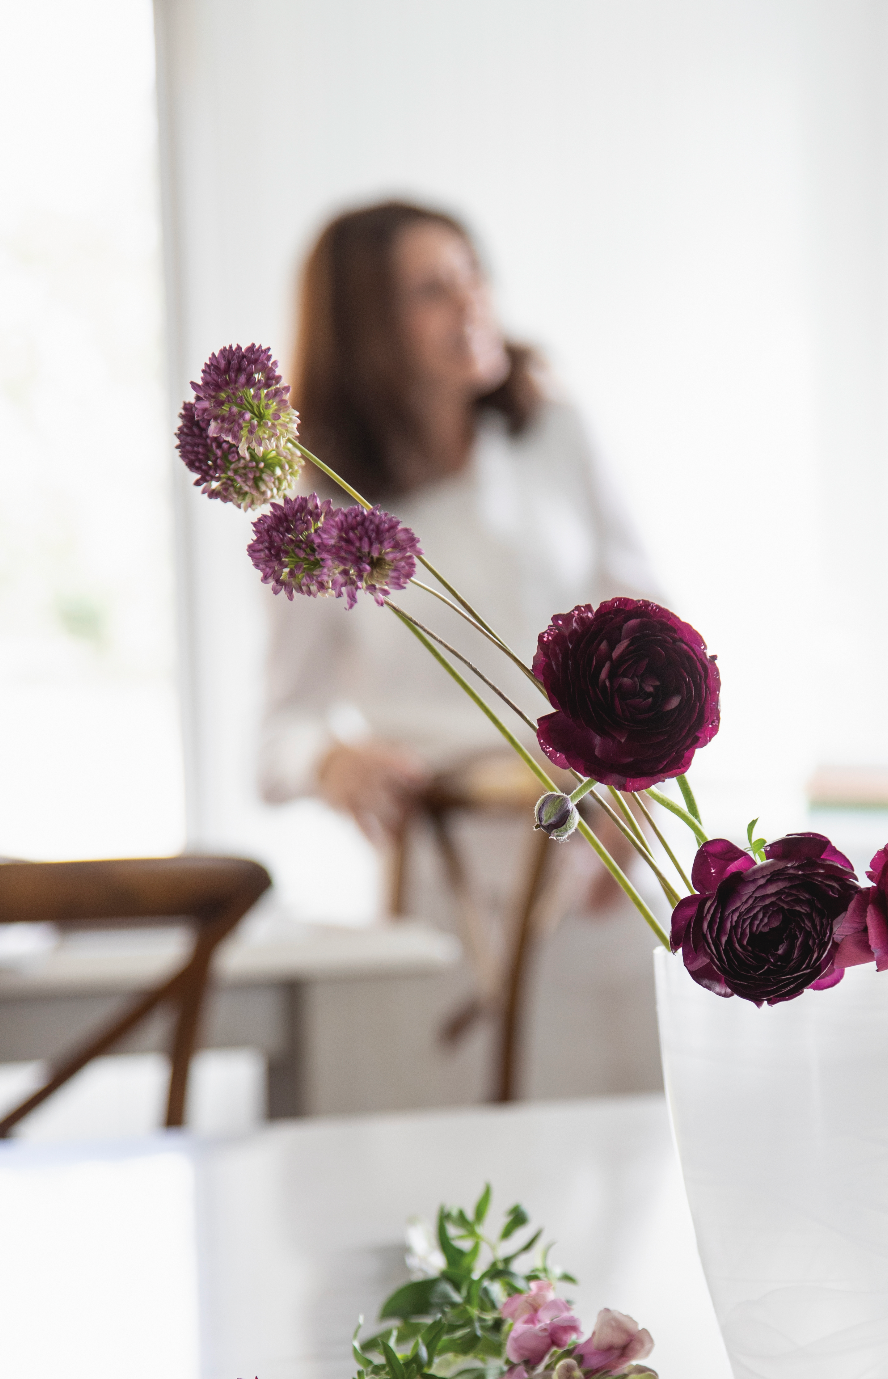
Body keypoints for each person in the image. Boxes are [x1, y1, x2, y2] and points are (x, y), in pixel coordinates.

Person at [258, 199, 663, 1097]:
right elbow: (276, 735)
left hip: (599, 857)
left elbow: (654, 633)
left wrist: (646, 783)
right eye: (432, 290)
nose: (473, 303)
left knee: (622, 1147)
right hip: (444, 887)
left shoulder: (555, 433)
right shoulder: (318, 500)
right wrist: (332, 761)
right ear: (366, 326)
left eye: (473, 274)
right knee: (470, 1170)